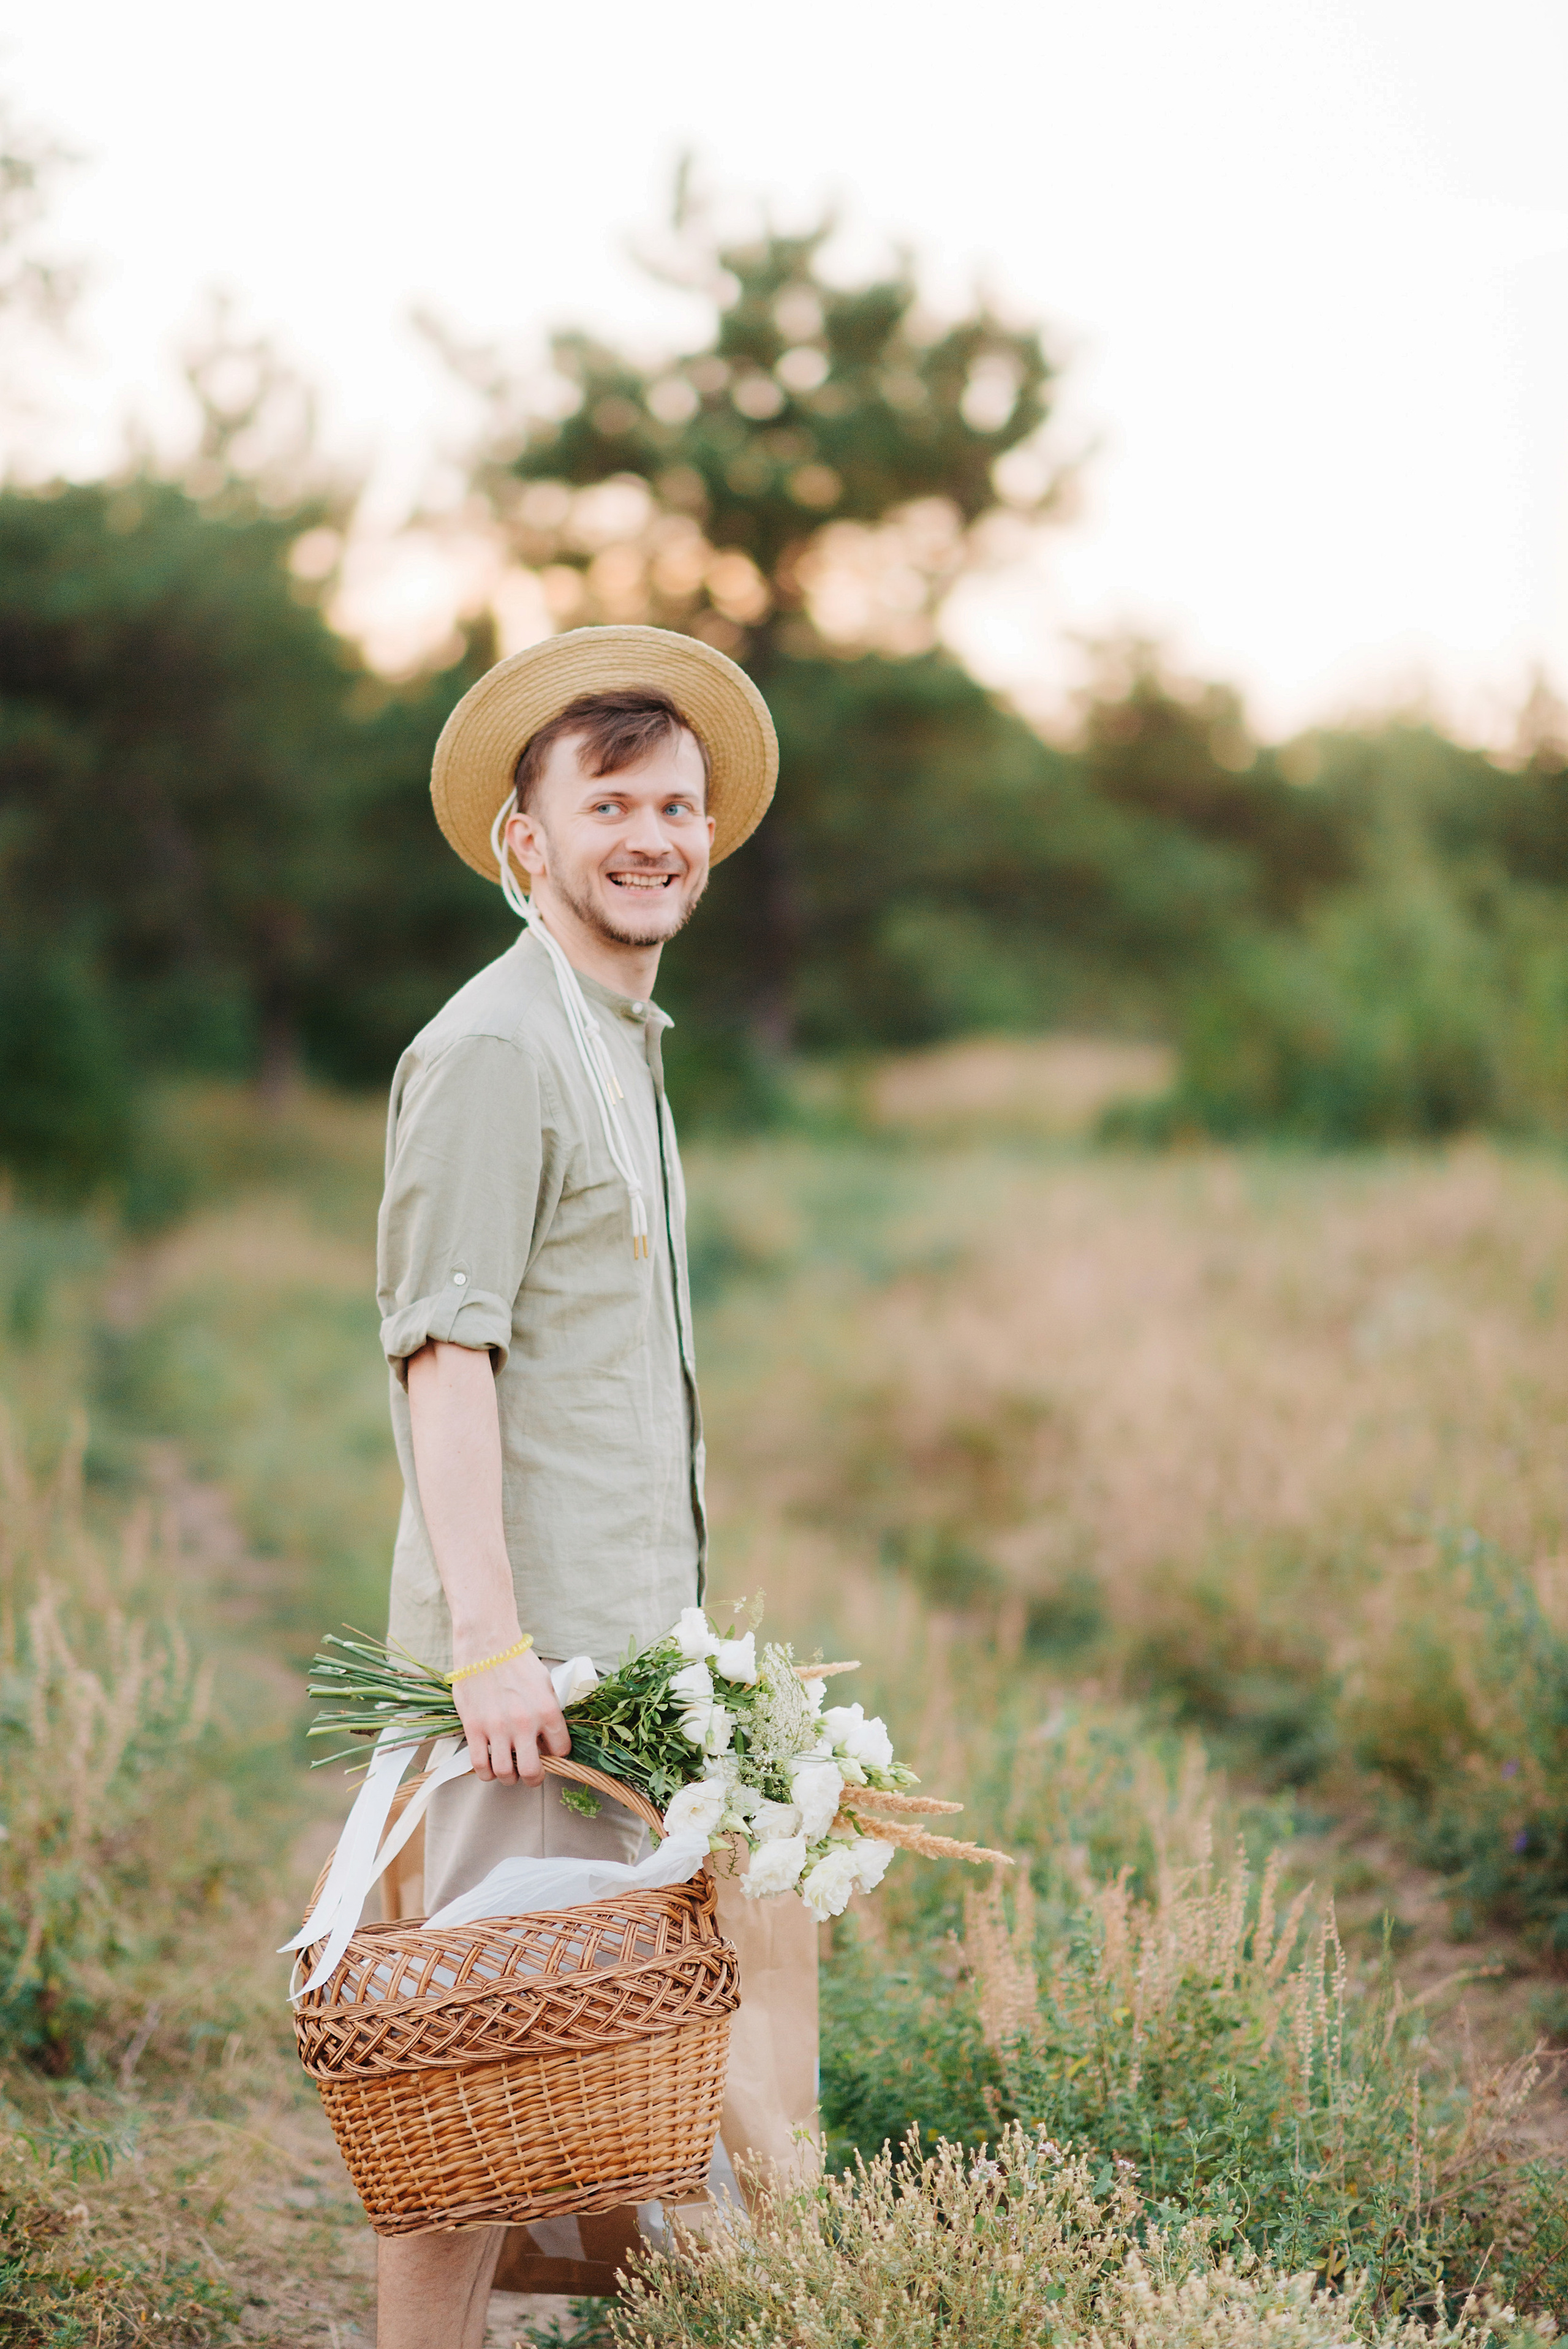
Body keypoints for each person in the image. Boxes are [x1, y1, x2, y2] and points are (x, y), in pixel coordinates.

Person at [372, 626, 814, 2349]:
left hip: (640, 1668)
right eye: (611, 800)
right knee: (468, 2098)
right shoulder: (493, 1049)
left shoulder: (623, 1034)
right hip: (527, 1685)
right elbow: (444, 1354)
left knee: (633, 2104)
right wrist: (490, 1644)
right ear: (526, 840)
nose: (657, 835)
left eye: (680, 803)